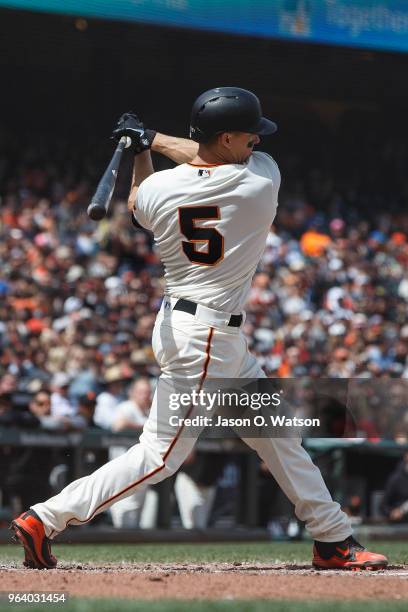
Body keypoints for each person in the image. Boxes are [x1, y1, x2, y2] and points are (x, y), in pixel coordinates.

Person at [10, 86, 387, 570]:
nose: (257, 142)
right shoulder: (259, 181)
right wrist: (150, 138)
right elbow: (199, 155)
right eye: (249, 136)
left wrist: (141, 148)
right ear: (228, 138)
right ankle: (47, 516)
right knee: (159, 456)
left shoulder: (162, 191)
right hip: (207, 338)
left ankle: (333, 538)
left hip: (191, 328)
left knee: (277, 436)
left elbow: (138, 198)